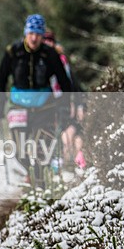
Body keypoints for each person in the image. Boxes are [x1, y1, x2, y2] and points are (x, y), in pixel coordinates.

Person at [0, 14, 73, 187]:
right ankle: (32, 173)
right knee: (20, 151)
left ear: (42, 35)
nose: (34, 37)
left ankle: (39, 180)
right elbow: (1, 78)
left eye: (38, 34)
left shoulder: (50, 54)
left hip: (44, 107)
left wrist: (65, 106)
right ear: (26, 33)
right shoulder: (13, 52)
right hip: (18, 106)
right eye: (31, 33)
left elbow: (64, 82)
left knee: (42, 150)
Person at [43, 30, 87, 170]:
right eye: (45, 40)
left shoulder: (62, 60)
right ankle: (63, 166)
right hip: (48, 105)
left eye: (50, 40)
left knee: (72, 134)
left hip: (66, 103)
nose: (48, 43)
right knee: (62, 136)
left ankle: (73, 165)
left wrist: (79, 104)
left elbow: (73, 83)